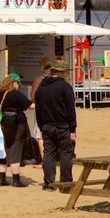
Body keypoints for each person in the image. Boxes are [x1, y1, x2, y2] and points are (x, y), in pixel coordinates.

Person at [35, 59, 77, 189]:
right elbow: (71, 110)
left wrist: (41, 126)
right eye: (66, 71)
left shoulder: (41, 88)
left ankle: (48, 183)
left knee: (49, 154)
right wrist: (73, 129)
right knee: (66, 154)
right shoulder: (65, 87)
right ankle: (65, 182)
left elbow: (38, 109)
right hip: (63, 126)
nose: (67, 74)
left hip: (47, 125)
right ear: (60, 72)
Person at [0, 74, 33, 187]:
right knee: (15, 149)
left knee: (2, 149)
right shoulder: (16, 94)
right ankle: (16, 180)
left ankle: (1, 179)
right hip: (17, 124)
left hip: (2, 123)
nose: (19, 86)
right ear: (14, 83)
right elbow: (30, 106)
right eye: (18, 83)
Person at [30, 58, 52, 164]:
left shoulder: (39, 79)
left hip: (41, 109)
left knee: (40, 135)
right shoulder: (54, 78)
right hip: (54, 109)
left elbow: (33, 95)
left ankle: (44, 161)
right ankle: (53, 158)